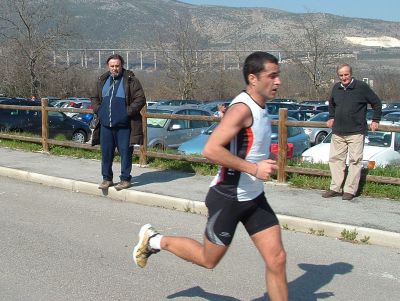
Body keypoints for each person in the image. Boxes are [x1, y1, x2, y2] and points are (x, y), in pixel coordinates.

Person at [133, 52, 288, 301]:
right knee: (209, 260)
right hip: (228, 197)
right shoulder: (241, 109)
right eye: (272, 76)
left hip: (254, 197)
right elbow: (211, 149)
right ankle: (155, 240)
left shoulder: (261, 105)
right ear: (253, 78)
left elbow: (248, 145)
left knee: (277, 259)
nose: (278, 81)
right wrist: (254, 168)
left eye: (278, 75)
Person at [322, 63, 381, 201]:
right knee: (336, 160)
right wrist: (331, 117)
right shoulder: (336, 88)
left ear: (351, 74)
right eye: (341, 75)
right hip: (338, 132)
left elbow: (376, 103)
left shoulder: (361, 87)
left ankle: (350, 190)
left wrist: (375, 120)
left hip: (356, 131)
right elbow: (331, 104)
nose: (344, 78)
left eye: (346, 74)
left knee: (355, 161)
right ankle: (335, 188)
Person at [91, 54, 146, 190]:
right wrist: (99, 110)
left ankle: (125, 179)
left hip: (124, 126)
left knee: (126, 153)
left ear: (122, 66)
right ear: (108, 66)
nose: (114, 68)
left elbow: (140, 99)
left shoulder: (131, 81)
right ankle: (107, 179)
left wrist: (127, 112)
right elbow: (94, 97)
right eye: (112, 66)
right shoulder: (102, 80)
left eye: (117, 66)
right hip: (106, 126)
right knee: (106, 153)